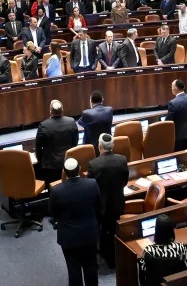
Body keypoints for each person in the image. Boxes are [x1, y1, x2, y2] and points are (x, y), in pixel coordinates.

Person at [50, 158, 100, 286]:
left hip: (69, 237)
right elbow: (98, 206)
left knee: (73, 269)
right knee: (91, 266)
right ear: (79, 169)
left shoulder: (57, 191)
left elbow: (53, 213)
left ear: (64, 172)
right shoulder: (92, 184)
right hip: (89, 234)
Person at [86, 133, 128, 269]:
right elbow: (125, 181)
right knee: (114, 228)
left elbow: (90, 186)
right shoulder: (122, 160)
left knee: (104, 230)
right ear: (112, 146)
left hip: (101, 205)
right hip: (118, 202)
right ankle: (114, 256)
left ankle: (106, 254)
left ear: (99, 146)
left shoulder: (94, 164)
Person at [139, 214, 187, 282]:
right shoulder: (180, 247)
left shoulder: (149, 250)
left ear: (156, 231)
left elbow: (143, 271)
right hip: (176, 283)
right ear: (171, 230)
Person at [35, 100, 78, 185]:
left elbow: (38, 146)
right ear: (62, 110)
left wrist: (40, 160)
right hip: (68, 161)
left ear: (50, 111)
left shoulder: (43, 125)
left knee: (54, 187)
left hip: (51, 165)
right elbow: (75, 142)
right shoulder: (71, 122)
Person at [167, 79, 187, 151]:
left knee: (179, 155)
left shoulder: (173, 103)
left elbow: (168, 122)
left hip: (179, 136)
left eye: (172, 86)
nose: (171, 88)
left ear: (176, 88)